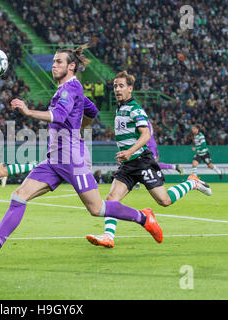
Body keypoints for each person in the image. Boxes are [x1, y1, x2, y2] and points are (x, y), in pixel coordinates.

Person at [0, 45, 165, 261]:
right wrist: (80, 129)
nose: (53, 65)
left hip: (71, 159)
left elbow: (59, 116)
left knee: (97, 208)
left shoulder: (71, 88)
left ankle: (144, 218)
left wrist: (28, 111)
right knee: (19, 195)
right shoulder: (65, 89)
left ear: (71, 66)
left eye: (58, 62)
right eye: (53, 61)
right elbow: (92, 111)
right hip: (54, 159)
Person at [86, 71, 212, 249]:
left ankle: (192, 182)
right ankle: (108, 236)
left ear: (130, 88)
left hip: (142, 162)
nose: (117, 89)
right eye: (115, 86)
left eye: (121, 86)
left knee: (165, 201)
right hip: (128, 164)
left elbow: (146, 135)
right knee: (112, 198)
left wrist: (129, 151)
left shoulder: (135, 109)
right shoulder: (120, 108)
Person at [135, 119, 183, 190]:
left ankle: (173, 167)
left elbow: (148, 135)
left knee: (152, 164)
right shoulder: (141, 121)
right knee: (137, 162)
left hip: (149, 146)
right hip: (145, 145)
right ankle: (137, 182)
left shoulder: (144, 122)